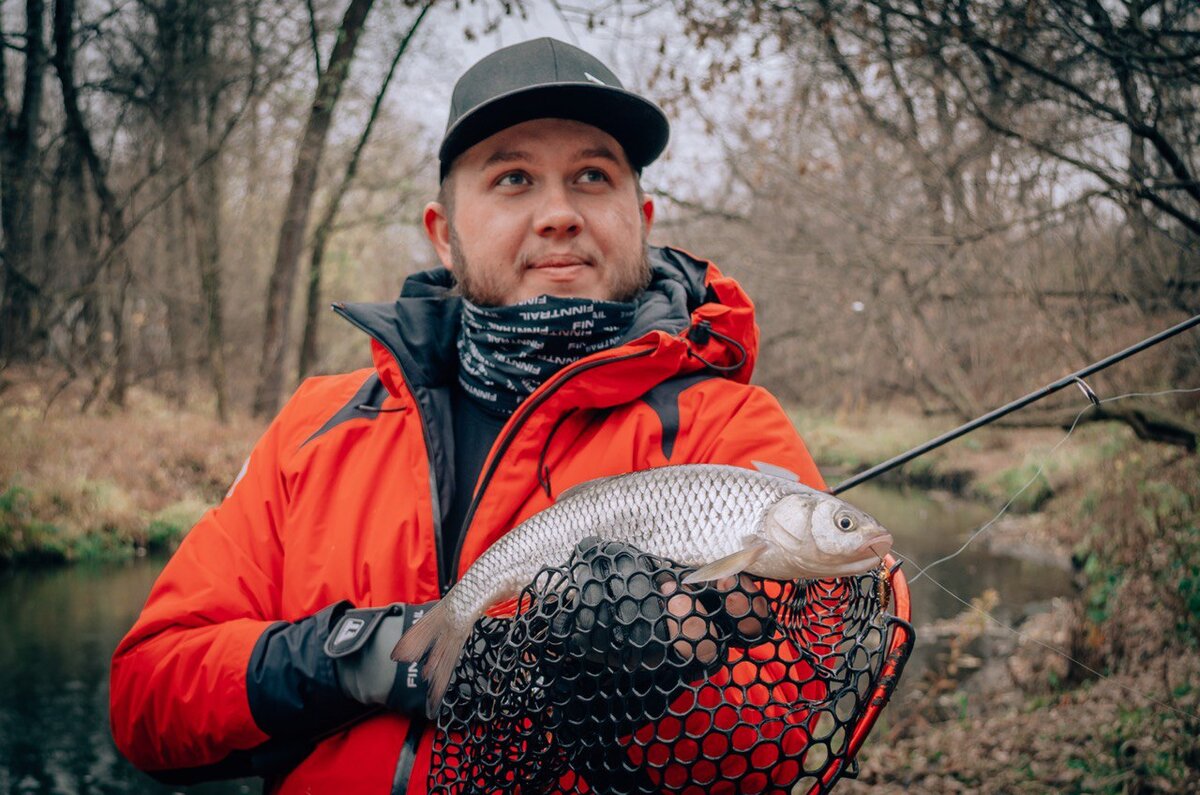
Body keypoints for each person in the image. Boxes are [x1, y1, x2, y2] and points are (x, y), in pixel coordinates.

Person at [110, 37, 827, 793]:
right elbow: (146, 696)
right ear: (444, 233)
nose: (558, 214)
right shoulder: (315, 425)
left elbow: (786, 737)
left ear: (640, 218)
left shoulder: (730, 430)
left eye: (592, 176)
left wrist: (658, 681)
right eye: (513, 178)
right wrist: (353, 653)